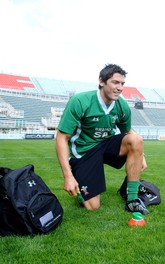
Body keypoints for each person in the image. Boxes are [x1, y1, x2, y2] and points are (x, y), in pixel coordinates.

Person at [55, 64, 149, 222]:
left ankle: (132, 200)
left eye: (122, 84)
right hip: (84, 152)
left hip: (106, 145)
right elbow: (61, 138)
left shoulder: (122, 105)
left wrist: (141, 154)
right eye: (115, 82)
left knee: (136, 139)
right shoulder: (80, 101)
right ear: (101, 81)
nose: (120, 88)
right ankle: (83, 189)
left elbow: (128, 133)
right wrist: (68, 176)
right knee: (93, 206)